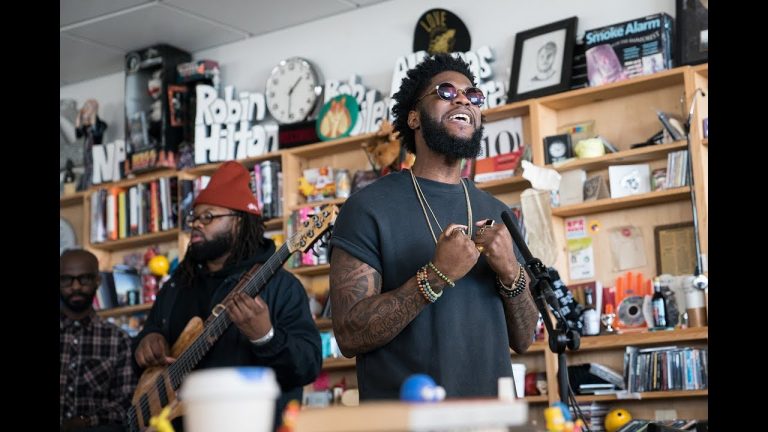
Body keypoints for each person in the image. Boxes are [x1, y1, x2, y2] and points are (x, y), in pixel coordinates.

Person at [329, 54, 539, 400]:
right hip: (406, 417)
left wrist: (511, 273)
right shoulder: (367, 208)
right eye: (446, 92)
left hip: (490, 417)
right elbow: (349, 335)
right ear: (413, 117)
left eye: (473, 96)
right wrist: (435, 276)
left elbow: (525, 338)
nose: (463, 100)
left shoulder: (499, 214)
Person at [133, 161, 322, 431]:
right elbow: (148, 342)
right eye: (194, 218)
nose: (196, 225)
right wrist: (147, 340)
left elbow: (307, 367)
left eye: (208, 217)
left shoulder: (282, 287)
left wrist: (266, 337)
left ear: (239, 222)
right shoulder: (176, 286)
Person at [60, 249, 137, 432]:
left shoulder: (119, 341)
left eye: (84, 279)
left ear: (97, 280)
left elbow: (128, 404)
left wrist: (86, 422)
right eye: (66, 280)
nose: (76, 287)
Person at [75, 99, 107, 191]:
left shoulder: (101, 125)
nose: (85, 109)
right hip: (87, 160)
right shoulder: (85, 128)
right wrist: (79, 116)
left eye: (88, 107)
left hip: (96, 159)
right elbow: (78, 134)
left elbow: (95, 131)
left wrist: (92, 114)